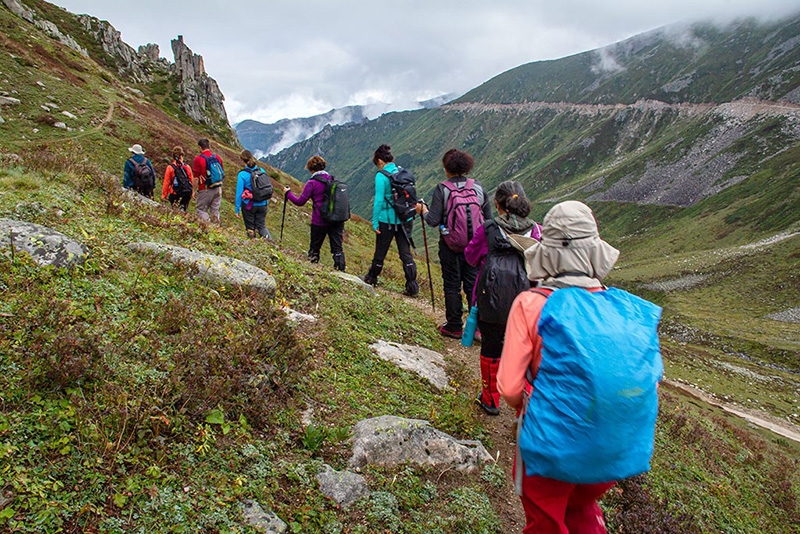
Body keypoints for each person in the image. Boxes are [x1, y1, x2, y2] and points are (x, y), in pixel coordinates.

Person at [498, 200, 621, 534]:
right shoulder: (616, 306)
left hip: (549, 442)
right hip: (608, 445)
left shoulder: (531, 304)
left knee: (545, 520)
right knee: (581, 507)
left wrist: (529, 406)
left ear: (547, 253)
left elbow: (509, 387)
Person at [464, 181, 541, 415]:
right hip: (527, 300)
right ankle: (523, 407)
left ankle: (490, 399)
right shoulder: (536, 230)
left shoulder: (488, 228)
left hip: (491, 299)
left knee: (490, 348)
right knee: (526, 352)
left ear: (497, 204)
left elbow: (470, 256)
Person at [418, 148, 492, 338]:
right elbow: (489, 219)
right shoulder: (478, 187)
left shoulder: (442, 189)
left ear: (446, 168)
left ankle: (454, 326)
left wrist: (422, 210)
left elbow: (433, 220)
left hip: (450, 246)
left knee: (452, 285)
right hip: (474, 247)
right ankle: (478, 327)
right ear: (467, 167)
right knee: (473, 285)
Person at [362, 144, 419, 297]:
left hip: (386, 220)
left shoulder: (381, 176)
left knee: (380, 252)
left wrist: (374, 222)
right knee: (405, 253)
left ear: (380, 161)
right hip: (404, 219)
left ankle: (371, 278)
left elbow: (379, 201)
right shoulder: (402, 172)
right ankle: (412, 286)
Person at [282, 155, 346, 271]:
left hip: (319, 220)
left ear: (311, 169)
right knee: (337, 249)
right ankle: (341, 270)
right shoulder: (332, 179)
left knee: (315, 248)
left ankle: (312, 269)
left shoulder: (312, 183)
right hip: (336, 219)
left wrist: (288, 193)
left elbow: (300, 201)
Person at [235, 150, 272, 240]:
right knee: (262, 226)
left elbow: (239, 193)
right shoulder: (261, 170)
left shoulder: (242, 174)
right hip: (263, 204)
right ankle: (270, 243)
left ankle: (253, 244)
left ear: (242, 160)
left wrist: (237, 209)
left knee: (250, 228)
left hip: (249, 205)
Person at [192, 138, 224, 224]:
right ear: (208, 146)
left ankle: (208, 228)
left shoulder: (198, 159)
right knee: (215, 210)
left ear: (200, 147)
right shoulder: (217, 157)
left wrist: (193, 190)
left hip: (205, 188)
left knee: (201, 210)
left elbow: (196, 178)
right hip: (218, 188)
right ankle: (217, 230)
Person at [161, 146, 194, 211]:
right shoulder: (187, 167)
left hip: (175, 193)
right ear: (182, 155)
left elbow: (166, 182)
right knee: (183, 210)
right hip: (187, 193)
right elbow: (191, 181)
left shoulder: (170, 167)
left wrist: (164, 195)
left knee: (175, 211)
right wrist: (192, 193)